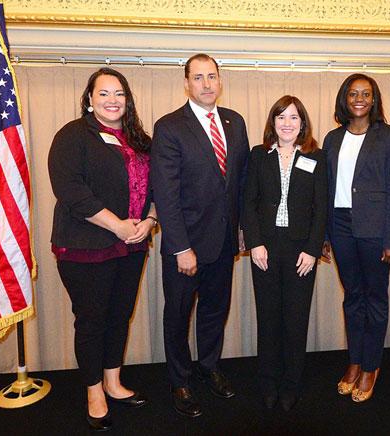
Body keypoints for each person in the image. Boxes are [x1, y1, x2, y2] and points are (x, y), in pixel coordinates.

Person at [48, 68, 155, 431]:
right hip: (86, 246)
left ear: (128, 99)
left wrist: (150, 221)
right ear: (89, 99)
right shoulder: (73, 136)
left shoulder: (139, 139)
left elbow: (159, 186)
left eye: (119, 93)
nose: (113, 101)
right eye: (104, 93)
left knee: (119, 316)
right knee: (92, 321)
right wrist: (118, 225)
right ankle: (94, 391)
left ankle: (113, 381)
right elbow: (71, 190)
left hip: (133, 247)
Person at [150, 53, 249, 418]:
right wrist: (180, 247)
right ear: (187, 83)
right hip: (185, 248)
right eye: (199, 78)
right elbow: (166, 193)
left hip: (224, 243)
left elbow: (240, 183)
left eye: (212, 76)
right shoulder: (170, 126)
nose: (207, 84)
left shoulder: (235, 123)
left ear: (220, 81)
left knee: (214, 311)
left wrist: (242, 231)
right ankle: (180, 380)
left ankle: (209, 367)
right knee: (177, 315)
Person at [322, 74, 390, 402]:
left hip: (375, 229)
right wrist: (324, 234)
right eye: (353, 94)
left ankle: (372, 366)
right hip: (340, 225)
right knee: (352, 296)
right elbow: (325, 188)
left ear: (374, 100)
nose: (359, 99)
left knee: (375, 298)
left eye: (366, 94)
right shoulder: (331, 139)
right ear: (344, 99)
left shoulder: (389, 136)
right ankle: (355, 361)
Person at [242, 95, 328, 411]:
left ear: (302, 123)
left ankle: (291, 385)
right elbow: (248, 203)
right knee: (268, 319)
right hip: (265, 248)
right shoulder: (258, 155)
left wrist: (312, 250)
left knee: (295, 319)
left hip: (300, 251)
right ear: (273, 123)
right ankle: (268, 382)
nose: (287, 123)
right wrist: (255, 243)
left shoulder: (316, 157)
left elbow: (321, 209)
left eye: (293, 117)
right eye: (281, 117)